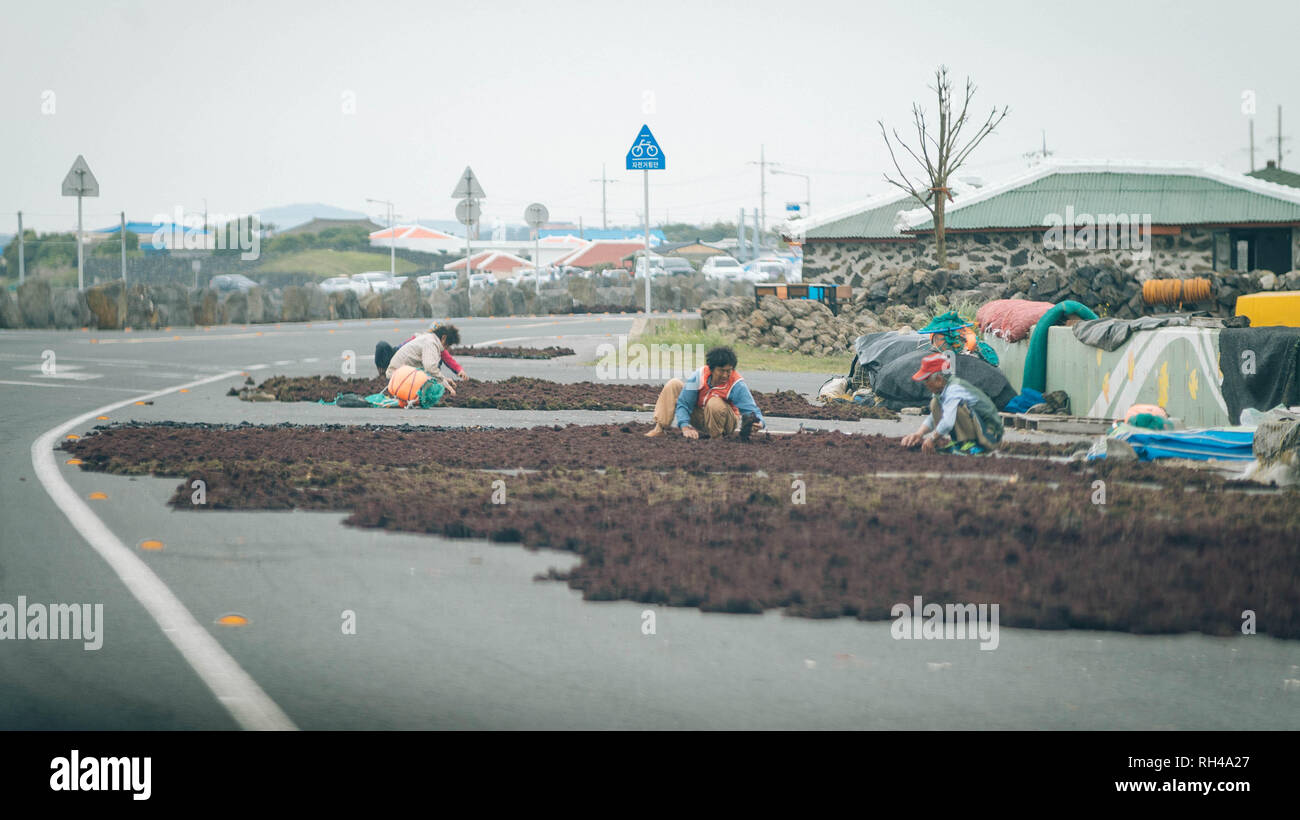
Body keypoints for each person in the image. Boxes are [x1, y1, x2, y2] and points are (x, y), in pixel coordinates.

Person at [645, 346, 765, 441]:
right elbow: (684, 403)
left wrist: (759, 422)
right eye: (721, 371)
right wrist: (685, 427)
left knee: (714, 401)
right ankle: (659, 429)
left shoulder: (737, 384)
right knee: (674, 384)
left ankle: (716, 439)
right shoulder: (698, 376)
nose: (725, 375)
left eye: (729, 371)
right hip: (701, 417)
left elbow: (751, 410)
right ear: (711, 369)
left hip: (725, 423)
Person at [901, 352, 1004, 454]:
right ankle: (960, 442)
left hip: (990, 433)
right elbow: (934, 416)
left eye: (926, 380)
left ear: (939, 379)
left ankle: (972, 444)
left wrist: (932, 439)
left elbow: (948, 422)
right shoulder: (941, 391)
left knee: (959, 406)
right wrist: (919, 434)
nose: (925, 384)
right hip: (980, 426)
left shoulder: (954, 389)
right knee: (935, 403)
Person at [382, 323, 461, 396]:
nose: (446, 348)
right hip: (397, 377)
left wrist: (444, 379)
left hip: (397, 374)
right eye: (448, 345)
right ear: (444, 338)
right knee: (432, 387)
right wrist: (447, 386)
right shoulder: (431, 343)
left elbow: (426, 371)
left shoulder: (428, 338)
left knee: (432, 380)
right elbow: (430, 368)